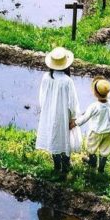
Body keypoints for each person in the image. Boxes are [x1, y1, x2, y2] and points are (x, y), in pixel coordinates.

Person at [36, 46, 79, 176]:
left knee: (53, 136)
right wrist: (73, 117)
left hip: (50, 112)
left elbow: (42, 97)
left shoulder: (46, 77)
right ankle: (66, 166)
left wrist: (45, 110)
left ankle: (56, 166)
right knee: (64, 138)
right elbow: (73, 102)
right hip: (63, 114)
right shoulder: (67, 81)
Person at [75, 76, 110, 172]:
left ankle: (92, 164)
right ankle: (101, 169)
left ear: (95, 93)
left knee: (91, 149)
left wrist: (75, 123)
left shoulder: (94, 106)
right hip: (108, 131)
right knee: (105, 151)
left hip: (96, 132)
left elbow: (84, 118)